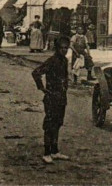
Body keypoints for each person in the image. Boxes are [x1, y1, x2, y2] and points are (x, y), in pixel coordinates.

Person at [32, 36, 71, 164]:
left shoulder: (64, 61)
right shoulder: (52, 61)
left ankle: (55, 151)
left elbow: (65, 77)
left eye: (66, 48)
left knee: (58, 123)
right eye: (62, 48)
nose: (64, 50)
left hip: (61, 97)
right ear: (57, 48)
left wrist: (65, 87)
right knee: (49, 125)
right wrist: (42, 88)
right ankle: (47, 153)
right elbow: (36, 72)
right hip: (51, 97)